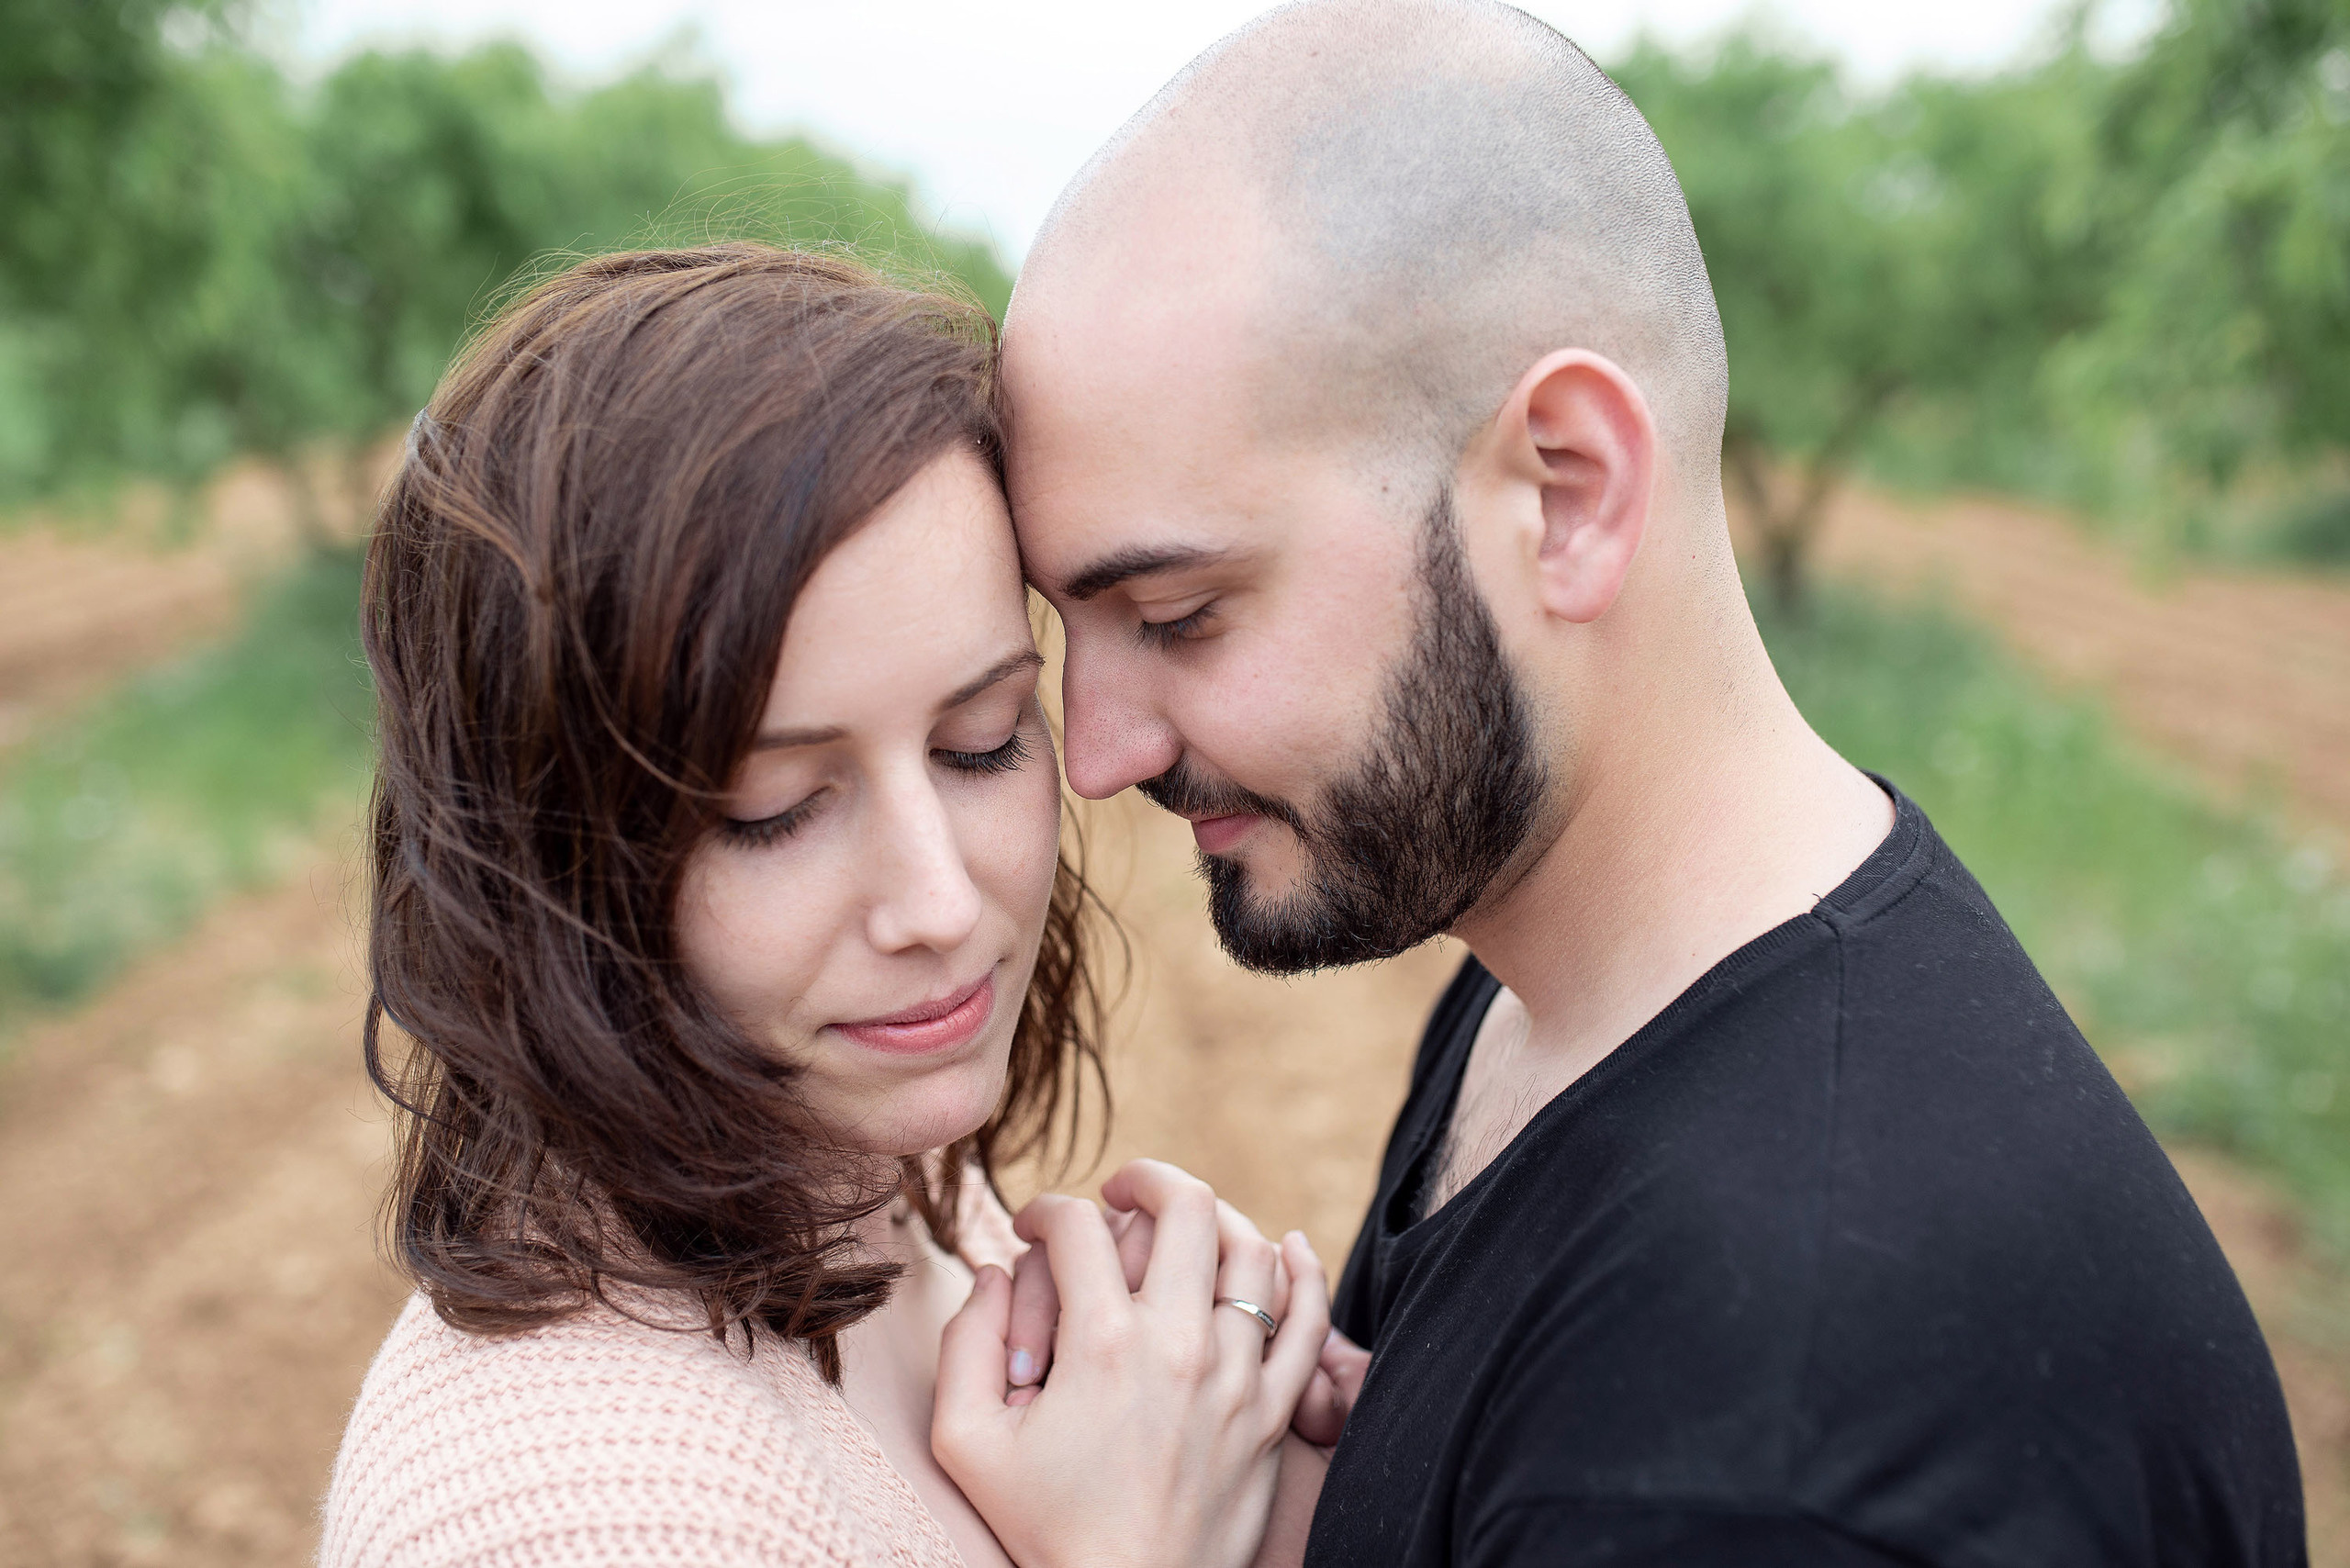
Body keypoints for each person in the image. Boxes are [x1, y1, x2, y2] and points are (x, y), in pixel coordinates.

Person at [997, 2, 2309, 1562]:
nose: (1098, 754)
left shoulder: (1786, 1430)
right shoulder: (1543, 1006)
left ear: (1565, 492)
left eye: (1178, 617)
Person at [320, 243, 1334, 1568]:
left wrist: (1256, 1453)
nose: (938, 900)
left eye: (981, 740)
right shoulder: (580, 1515)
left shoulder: (882, 1207)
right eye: (771, 809)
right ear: (539, 852)